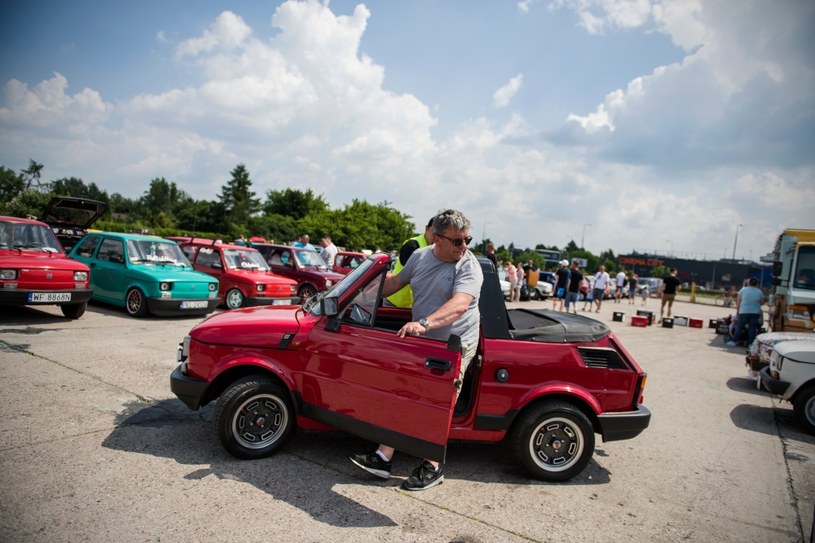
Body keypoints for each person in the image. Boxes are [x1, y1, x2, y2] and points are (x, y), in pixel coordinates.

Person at [349, 209, 483, 491]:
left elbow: (460, 305)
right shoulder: (420, 257)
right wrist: (352, 292)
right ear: (437, 238)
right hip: (425, 340)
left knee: (435, 401)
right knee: (408, 393)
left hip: (454, 343)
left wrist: (423, 323)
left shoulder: (468, 267)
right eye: (457, 241)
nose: (464, 246)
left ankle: (433, 466)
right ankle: (383, 458)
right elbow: (395, 283)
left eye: (467, 239)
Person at [386, 218, 435, 308]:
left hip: (413, 306)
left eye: (440, 235)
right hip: (396, 303)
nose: (436, 238)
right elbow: (419, 276)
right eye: (434, 232)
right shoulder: (412, 246)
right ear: (427, 229)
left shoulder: (435, 249)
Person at [726, 278, 765, 349]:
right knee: (752, 328)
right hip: (755, 312)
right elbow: (762, 302)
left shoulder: (743, 290)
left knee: (739, 327)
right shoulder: (759, 292)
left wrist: (737, 311)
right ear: (757, 284)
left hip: (743, 311)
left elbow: (739, 302)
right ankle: (750, 344)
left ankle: (734, 341)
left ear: (749, 283)